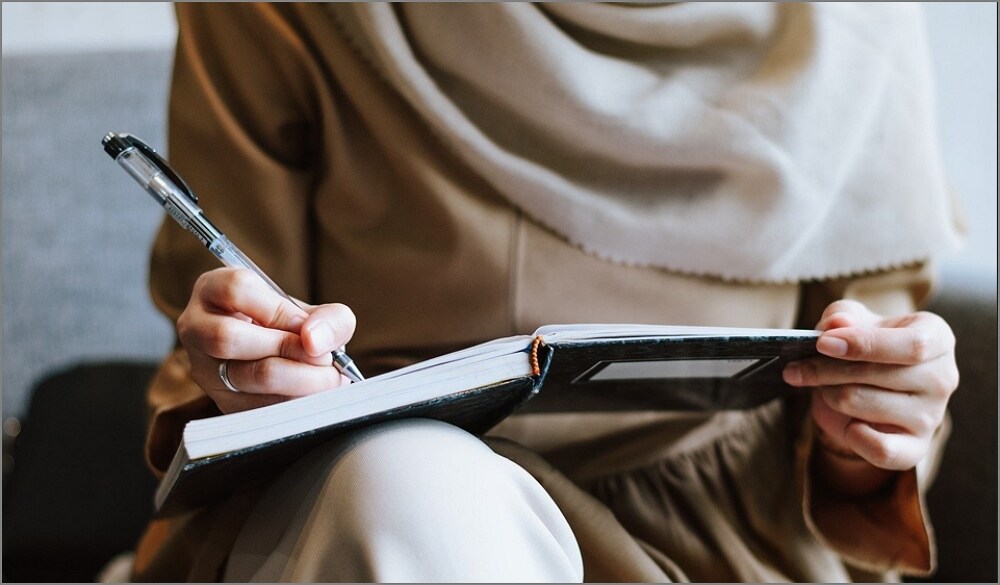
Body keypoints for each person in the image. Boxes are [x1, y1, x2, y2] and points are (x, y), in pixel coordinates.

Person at [131, 3, 965, 582]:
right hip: (359, 512)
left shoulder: (855, 28)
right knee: (413, 488)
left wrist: (874, 428)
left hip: (719, 548)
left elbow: (873, 399)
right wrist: (252, 376)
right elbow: (216, 337)